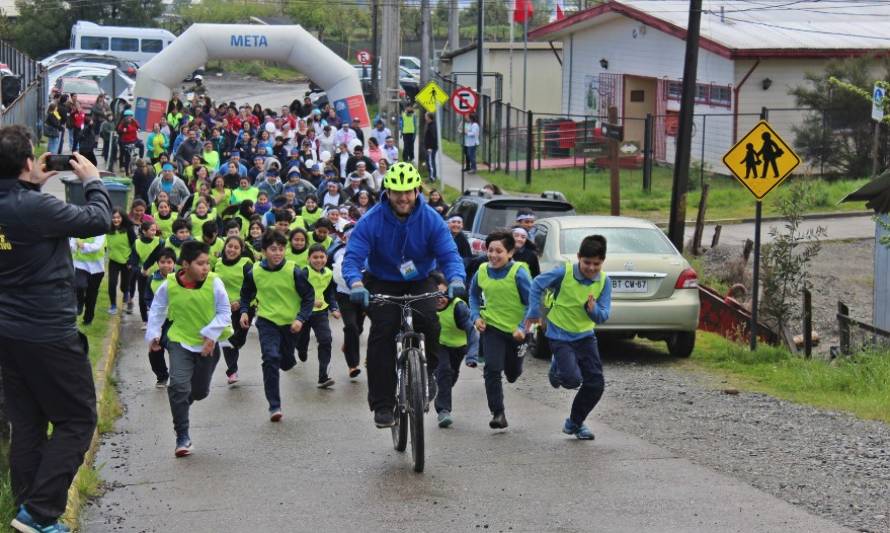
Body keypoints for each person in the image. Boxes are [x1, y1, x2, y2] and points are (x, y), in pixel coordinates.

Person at [0, 127, 110, 533]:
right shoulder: (35, 209)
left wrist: (24, 182)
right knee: (78, 419)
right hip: (48, 330)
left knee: (27, 421)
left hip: (8, 332)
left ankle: (27, 510)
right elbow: (96, 220)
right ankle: (41, 511)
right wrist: (93, 182)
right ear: (29, 162)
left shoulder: (21, 204)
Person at [344, 162, 466, 428]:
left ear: (416, 190)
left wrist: (456, 279)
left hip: (421, 278)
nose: (402, 198)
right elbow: (353, 258)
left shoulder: (432, 219)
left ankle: (429, 371)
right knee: (382, 333)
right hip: (382, 280)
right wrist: (355, 284)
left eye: (408, 192)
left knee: (430, 322)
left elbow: (449, 255)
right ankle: (383, 404)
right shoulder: (371, 220)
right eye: (396, 192)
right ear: (387, 192)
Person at [145, 240, 233, 457]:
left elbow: (224, 313)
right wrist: (154, 335)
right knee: (178, 386)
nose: (206, 268)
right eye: (200, 264)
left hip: (207, 346)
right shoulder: (170, 284)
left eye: (207, 263)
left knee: (199, 392)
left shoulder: (215, 283)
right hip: (180, 341)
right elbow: (157, 309)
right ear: (185, 264)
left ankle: (181, 402)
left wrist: (211, 335)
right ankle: (182, 437)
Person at [524, 235, 612, 441]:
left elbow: (604, 315)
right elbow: (537, 283)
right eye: (586, 262)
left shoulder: (604, 281)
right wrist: (534, 312)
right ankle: (556, 367)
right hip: (559, 333)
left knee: (596, 384)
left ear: (602, 262)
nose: (591, 268)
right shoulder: (564, 273)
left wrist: (593, 310)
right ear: (578, 257)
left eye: (596, 264)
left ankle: (575, 422)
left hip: (585, 336)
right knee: (572, 380)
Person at [239, 230, 314, 421]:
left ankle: (288, 359)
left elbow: (308, 296)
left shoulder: (294, 270)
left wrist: (300, 318)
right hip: (267, 321)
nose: (277, 253)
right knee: (270, 358)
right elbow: (246, 294)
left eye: (281, 249)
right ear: (264, 251)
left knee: (286, 361)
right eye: (273, 249)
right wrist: (244, 311)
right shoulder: (254, 271)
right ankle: (274, 405)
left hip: (291, 324)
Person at [469, 230, 532, 430]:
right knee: (492, 369)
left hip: (516, 332)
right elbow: (473, 295)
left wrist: (523, 327)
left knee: (512, 373)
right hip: (492, 328)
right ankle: (498, 413)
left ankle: (515, 365)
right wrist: (475, 316)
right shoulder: (481, 270)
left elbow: (532, 303)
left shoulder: (519, 272)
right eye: (490, 250)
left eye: (499, 251)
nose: (493, 255)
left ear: (510, 253)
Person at [430, 271, 478, 428]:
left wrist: (472, 356)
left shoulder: (459, 307)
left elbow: (472, 332)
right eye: (434, 295)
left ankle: (441, 390)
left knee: (451, 376)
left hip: (459, 346)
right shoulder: (426, 308)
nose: (439, 299)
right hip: (438, 345)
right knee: (444, 370)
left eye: (442, 294)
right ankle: (443, 410)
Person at [295, 244, 340, 387]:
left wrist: (333, 307)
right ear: (309, 258)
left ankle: (323, 377)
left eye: (322, 257)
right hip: (304, 313)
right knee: (302, 339)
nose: (319, 260)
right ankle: (301, 349)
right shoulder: (304, 273)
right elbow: (296, 292)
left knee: (326, 340)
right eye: (315, 257)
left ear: (326, 258)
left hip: (321, 313)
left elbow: (329, 292)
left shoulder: (328, 273)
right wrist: (311, 301)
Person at [213, 236, 254, 385]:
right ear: (225, 247)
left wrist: (240, 302)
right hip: (224, 308)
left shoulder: (247, 265)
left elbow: (255, 287)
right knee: (227, 338)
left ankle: (233, 346)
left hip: (245, 307)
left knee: (238, 339)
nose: (232, 250)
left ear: (241, 250)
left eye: (236, 247)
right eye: (230, 246)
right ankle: (232, 371)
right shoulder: (217, 264)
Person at [145, 248, 177, 386]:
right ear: (157, 263)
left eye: (169, 262)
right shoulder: (152, 279)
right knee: (154, 349)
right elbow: (147, 298)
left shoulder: (180, 278)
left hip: (175, 320)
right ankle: (162, 375)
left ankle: (178, 376)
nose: (166, 265)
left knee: (176, 348)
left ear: (174, 263)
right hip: (158, 319)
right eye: (162, 262)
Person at [134, 221, 165, 328]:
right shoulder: (137, 243)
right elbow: (134, 261)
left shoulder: (160, 242)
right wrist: (141, 270)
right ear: (144, 231)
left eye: (155, 229)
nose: (154, 232)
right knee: (142, 297)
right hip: (143, 274)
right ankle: (145, 321)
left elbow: (162, 258)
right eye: (152, 230)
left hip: (158, 274)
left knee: (158, 297)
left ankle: (158, 319)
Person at [70, 232, 106, 326]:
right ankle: (79, 303)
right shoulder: (78, 228)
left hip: (97, 268)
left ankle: (88, 319)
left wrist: (82, 245)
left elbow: (96, 247)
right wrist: (73, 246)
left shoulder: (100, 231)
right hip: (80, 264)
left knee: (91, 295)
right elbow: (72, 246)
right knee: (79, 285)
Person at [106, 207, 137, 315]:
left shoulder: (128, 230)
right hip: (114, 261)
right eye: (113, 218)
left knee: (124, 286)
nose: (116, 220)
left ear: (122, 218)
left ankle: (128, 301)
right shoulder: (108, 230)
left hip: (126, 262)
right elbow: (105, 244)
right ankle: (113, 305)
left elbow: (135, 246)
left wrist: (131, 261)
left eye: (118, 217)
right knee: (112, 283)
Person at [424, 112, 438, 181]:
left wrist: (430, 147)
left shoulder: (432, 126)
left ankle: (432, 177)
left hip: (431, 148)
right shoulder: (430, 125)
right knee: (429, 161)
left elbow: (434, 137)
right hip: (429, 147)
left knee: (430, 162)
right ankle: (431, 176)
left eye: (426, 116)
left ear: (429, 117)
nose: (425, 118)